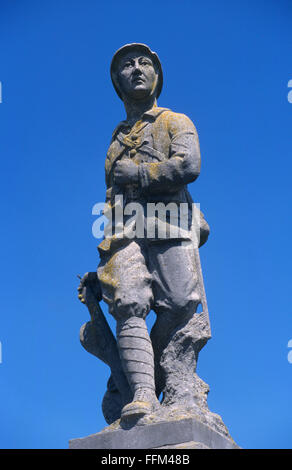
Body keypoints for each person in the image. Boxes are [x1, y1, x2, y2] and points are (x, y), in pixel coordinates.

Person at [80, 43, 209, 420]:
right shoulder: (115, 139)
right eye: (126, 65)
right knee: (128, 299)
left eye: (145, 63)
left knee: (182, 303)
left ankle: (150, 369)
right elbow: (111, 198)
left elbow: (189, 165)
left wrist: (140, 174)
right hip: (125, 230)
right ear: (118, 83)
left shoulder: (175, 121)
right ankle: (141, 393)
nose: (136, 69)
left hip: (170, 224)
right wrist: (105, 266)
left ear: (157, 76)